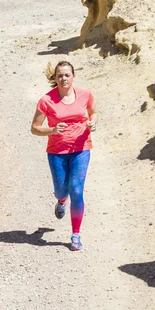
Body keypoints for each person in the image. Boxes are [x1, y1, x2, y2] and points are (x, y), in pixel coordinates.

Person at [31, 61, 97, 251]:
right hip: (57, 152)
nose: (64, 79)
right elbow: (34, 128)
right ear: (55, 78)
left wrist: (92, 123)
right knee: (62, 190)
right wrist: (51, 130)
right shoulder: (46, 100)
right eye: (60, 75)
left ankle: (75, 234)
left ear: (73, 76)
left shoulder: (85, 94)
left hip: (81, 148)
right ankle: (61, 201)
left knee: (76, 190)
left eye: (67, 75)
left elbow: (93, 113)